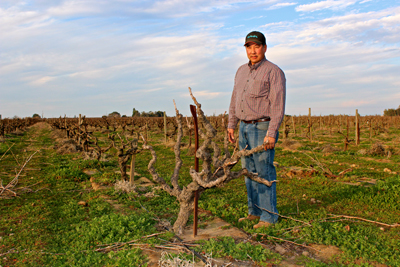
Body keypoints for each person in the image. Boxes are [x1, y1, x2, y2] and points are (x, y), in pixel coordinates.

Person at [228, 31, 286, 229]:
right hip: (244, 126)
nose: (253, 51)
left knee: (263, 171)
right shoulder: (240, 71)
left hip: (262, 127)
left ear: (265, 48)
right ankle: (254, 212)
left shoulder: (273, 72)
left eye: (257, 46)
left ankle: (269, 217)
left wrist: (271, 133)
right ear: (246, 49)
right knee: (248, 172)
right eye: (249, 47)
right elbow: (235, 99)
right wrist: (231, 124)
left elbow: (277, 105)